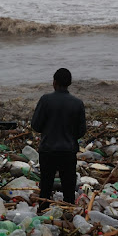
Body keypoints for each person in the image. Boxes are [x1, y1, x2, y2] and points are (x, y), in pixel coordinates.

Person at [31, 68, 86, 209]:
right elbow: (81, 131)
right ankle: (68, 214)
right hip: (68, 151)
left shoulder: (45, 100)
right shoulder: (77, 103)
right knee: (68, 188)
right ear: (70, 83)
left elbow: (36, 125)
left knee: (46, 186)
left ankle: (43, 212)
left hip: (48, 150)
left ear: (54, 82)